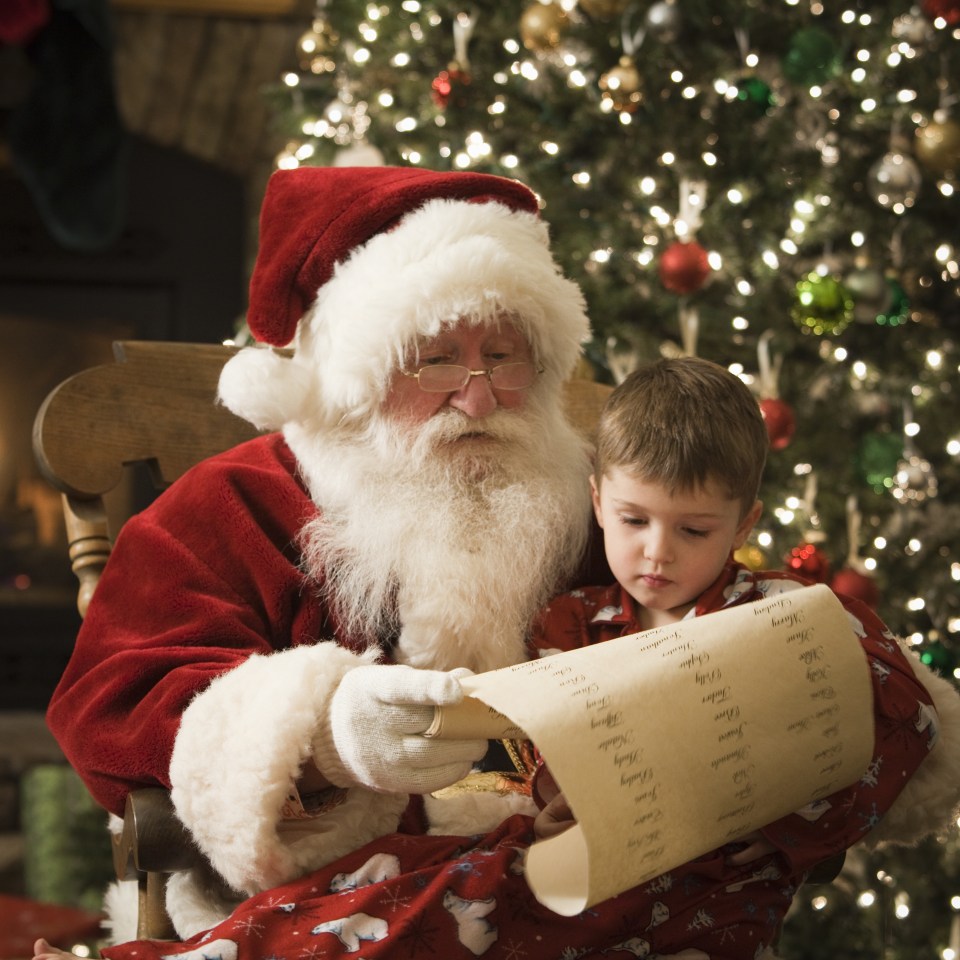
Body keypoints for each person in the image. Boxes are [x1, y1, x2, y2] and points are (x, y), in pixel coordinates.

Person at [34, 170, 957, 960]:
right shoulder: (238, 505)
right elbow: (112, 697)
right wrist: (325, 729)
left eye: (505, 356)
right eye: (435, 359)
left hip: (581, 891)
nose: (477, 396)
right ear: (356, 374)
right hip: (329, 903)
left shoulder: (598, 505)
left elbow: (721, 638)